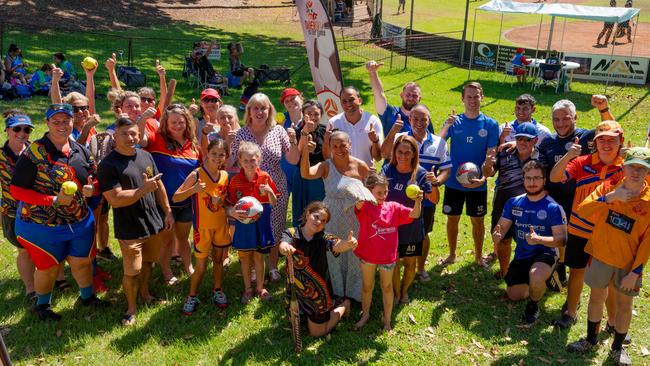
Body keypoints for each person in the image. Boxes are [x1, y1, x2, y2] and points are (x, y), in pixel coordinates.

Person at [11, 103, 107, 321]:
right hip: (42, 225)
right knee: (48, 267)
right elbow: (17, 190)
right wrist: (53, 200)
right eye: (56, 121)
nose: (62, 125)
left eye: (66, 120)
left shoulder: (80, 150)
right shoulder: (35, 152)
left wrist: (94, 188)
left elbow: (94, 176)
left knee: (82, 261)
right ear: (47, 123)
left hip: (79, 221)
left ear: (73, 122)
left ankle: (87, 297)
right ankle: (42, 306)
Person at [566, 147, 650, 366]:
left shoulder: (649, 202)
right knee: (596, 298)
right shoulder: (608, 187)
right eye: (632, 167)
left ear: (648, 173)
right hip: (601, 256)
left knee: (624, 307)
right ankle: (591, 340)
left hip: (628, 264)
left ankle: (617, 348)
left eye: (642, 169)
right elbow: (582, 210)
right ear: (623, 166)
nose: (636, 173)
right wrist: (611, 197)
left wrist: (636, 271)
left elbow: (647, 243)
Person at [550, 120, 625, 329]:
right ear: (595, 142)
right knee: (576, 271)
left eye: (612, 140)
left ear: (621, 141)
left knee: (610, 280)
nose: (607, 144)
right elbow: (555, 177)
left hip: (609, 233)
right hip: (579, 229)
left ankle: (612, 322)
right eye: (602, 140)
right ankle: (570, 312)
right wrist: (568, 156)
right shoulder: (582, 162)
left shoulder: (625, 167)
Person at [98, 117, 173, 326]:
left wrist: (167, 211)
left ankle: (146, 293)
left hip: (153, 222)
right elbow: (114, 199)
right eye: (125, 134)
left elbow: (158, 185)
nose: (131, 138)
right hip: (129, 226)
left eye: (134, 134)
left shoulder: (146, 155)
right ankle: (131, 308)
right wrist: (142, 190)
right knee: (132, 271)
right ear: (115, 136)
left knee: (149, 262)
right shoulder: (108, 165)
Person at [537, 96, 614, 289]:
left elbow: (612, 129)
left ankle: (575, 282)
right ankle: (559, 267)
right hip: (554, 202)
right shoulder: (547, 143)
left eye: (566, 118)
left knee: (576, 246)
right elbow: (541, 172)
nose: (561, 123)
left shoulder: (587, 137)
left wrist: (603, 108)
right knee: (559, 238)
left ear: (575, 117)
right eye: (556, 119)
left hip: (581, 203)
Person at [230, 93, 300, 283]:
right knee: (253, 225)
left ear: (270, 110)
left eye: (264, 108)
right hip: (247, 188)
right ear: (249, 111)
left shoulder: (279, 131)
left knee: (275, 227)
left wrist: (293, 140)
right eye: (256, 108)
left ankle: (272, 266)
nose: (260, 112)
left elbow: (293, 160)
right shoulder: (241, 133)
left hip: (275, 187)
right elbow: (231, 162)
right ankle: (254, 268)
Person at [380, 104, 451, 281]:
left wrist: (436, 181)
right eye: (415, 119)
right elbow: (384, 154)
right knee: (395, 232)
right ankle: (394, 263)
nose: (419, 123)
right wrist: (392, 132)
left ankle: (420, 268)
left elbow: (446, 170)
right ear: (409, 120)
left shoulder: (439, 143)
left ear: (429, 120)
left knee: (423, 233)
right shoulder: (400, 137)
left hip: (424, 199)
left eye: (423, 119)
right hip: (397, 197)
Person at [492, 160, 567, 324]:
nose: (532, 182)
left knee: (536, 275)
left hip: (546, 252)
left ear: (544, 180)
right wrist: (497, 235)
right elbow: (501, 227)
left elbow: (562, 240)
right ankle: (539, 283)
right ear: (523, 179)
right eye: (528, 178)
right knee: (514, 295)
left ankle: (533, 306)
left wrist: (539, 239)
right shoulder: (514, 202)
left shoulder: (553, 207)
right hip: (522, 255)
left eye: (537, 178)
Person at [301, 130, 370, 302]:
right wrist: (305, 153)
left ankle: (354, 294)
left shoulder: (361, 166)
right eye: (334, 146)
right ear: (330, 147)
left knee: (354, 252)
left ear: (350, 145)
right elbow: (306, 174)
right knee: (334, 252)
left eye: (343, 145)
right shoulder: (326, 166)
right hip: (331, 216)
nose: (339, 149)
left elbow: (369, 191)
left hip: (355, 216)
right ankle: (336, 292)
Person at [139, 104, 201, 285]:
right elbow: (141, 141)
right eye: (173, 122)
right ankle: (166, 271)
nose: (177, 125)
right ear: (165, 122)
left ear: (187, 122)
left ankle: (188, 266)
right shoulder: (156, 138)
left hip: (187, 200)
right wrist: (143, 119)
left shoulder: (192, 144)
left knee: (183, 237)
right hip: (164, 202)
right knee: (166, 240)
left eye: (181, 121)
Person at [440, 82, 499, 266]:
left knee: (478, 221)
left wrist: (482, 177)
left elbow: (491, 155)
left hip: (477, 182)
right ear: (462, 99)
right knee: (452, 218)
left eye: (476, 96)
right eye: (469, 97)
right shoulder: (454, 121)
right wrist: (445, 127)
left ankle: (478, 255)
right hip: (453, 182)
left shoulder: (490, 124)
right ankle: (451, 254)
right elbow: (437, 145)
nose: (472, 100)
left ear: (482, 97)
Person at [353, 173, 422, 331]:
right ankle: (365, 315)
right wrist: (363, 190)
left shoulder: (394, 207)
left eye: (385, 192)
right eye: (379, 193)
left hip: (387, 257)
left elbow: (414, 214)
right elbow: (357, 203)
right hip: (368, 255)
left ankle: (387, 321)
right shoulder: (364, 206)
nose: (383, 196)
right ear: (369, 191)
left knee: (387, 287)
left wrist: (418, 201)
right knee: (367, 287)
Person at [279, 202, 358, 337]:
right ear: (308, 214)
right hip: (295, 290)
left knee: (317, 333)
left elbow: (337, 245)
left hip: (317, 294)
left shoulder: (324, 237)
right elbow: (283, 244)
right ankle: (306, 315)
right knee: (294, 322)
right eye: (316, 217)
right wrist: (285, 246)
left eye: (323, 221)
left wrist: (348, 244)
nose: (319, 222)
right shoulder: (292, 233)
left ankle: (344, 304)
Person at [176, 139, 231, 313]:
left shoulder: (225, 176)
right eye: (214, 153)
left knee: (218, 260)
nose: (217, 157)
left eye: (221, 154)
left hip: (221, 226)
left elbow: (226, 201)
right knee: (200, 267)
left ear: (226, 157)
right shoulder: (197, 175)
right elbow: (176, 197)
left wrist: (221, 200)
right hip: (203, 228)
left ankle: (217, 289)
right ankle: (192, 295)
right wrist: (193, 190)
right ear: (207, 153)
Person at [381, 135, 438, 304]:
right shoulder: (387, 170)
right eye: (399, 152)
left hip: (412, 225)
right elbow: (376, 190)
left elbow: (434, 200)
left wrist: (433, 184)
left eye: (407, 152)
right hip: (392, 225)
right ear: (394, 152)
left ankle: (405, 290)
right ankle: (397, 293)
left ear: (414, 154)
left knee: (410, 263)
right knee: (395, 263)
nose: (403, 156)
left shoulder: (420, 173)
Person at [484, 123, 540, 277]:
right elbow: (488, 173)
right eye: (519, 139)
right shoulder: (504, 153)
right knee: (503, 240)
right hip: (503, 206)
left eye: (527, 140)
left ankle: (526, 274)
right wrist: (487, 164)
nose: (522, 142)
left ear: (535, 140)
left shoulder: (542, 158)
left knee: (528, 242)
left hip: (529, 208)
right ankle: (504, 271)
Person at [227, 141, 279, 303]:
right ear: (240, 161)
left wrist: (270, 191)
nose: (249, 164)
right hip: (243, 225)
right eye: (246, 161)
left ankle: (260, 287)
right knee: (245, 257)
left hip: (261, 224)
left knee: (259, 256)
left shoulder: (265, 177)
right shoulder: (235, 181)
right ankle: (248, 289)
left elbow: (274, 202)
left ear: (259, 160)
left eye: (253, 160)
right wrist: (233, 212)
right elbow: (229, 204)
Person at [1, 114, 36, 298]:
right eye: (17, 129)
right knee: (23, 250)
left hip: (37, 210)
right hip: (12, 211)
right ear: (7, 130)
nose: (22, 133)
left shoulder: (36, 151)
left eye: (27, 129)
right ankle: (30, 289)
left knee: (36, 248)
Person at [366, 60, 432, 135]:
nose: (410, 98)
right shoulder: (390, 113)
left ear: (419, 99)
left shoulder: (423, 118)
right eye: (408, 95)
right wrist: (373, 72)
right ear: (401, 95)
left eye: (414, 96)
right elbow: (379, 94)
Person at [291, 100, 327, 226]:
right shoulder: (297, 131)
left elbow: (328, 156)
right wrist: (305, 131)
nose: (312, 117)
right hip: (301, 176)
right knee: (301, 211)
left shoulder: (325, 131)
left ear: (321, 115)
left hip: (318, 177)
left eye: (316, 114)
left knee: (318, 210)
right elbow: (298, 154)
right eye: (309, 113)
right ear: (303, 114)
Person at [328, 86, 383, 167]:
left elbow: (378, 157)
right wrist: (326, 141)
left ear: (360, 100)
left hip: (366, 175)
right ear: (340, 103)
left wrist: (375, 141)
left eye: (351, 100)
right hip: (342, 175)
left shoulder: (373, 121)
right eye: (344, 101)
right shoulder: (333, 123)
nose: (348, 104)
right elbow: (328, 155)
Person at [278, 87, 303, 199]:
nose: (291, 103)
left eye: (293, 98)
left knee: (301, 208)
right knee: (280, 206)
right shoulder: (280, 120)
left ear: (301, 98)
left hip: (303, 171)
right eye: (286, 101)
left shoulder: (310, 117)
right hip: (284, 171)